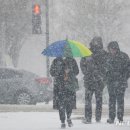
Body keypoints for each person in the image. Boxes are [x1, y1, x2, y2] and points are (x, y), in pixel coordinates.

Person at [50, 57, 79, 128]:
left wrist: (70, 71)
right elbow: (52, 73)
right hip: (60, 87)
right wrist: (61, 72)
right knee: (61, 105)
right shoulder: (56, 61)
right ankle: (62, 121)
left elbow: (77, 71)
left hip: (69, 86)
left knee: (69, 104)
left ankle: (68, 117)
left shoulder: (72, 60)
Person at [106, 41, 130, 124]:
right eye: (109, 49)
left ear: (115, 48)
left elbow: (128, 69)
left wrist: (123, 77)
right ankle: (111, 118)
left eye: (111, 49)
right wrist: (107, 77)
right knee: (112, 101)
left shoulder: (124, 56)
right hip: (111, 83)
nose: (111, 51)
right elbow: (104, 69)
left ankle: (120, 118)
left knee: (120, 101)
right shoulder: (108, 57)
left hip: (121, 83)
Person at [80, 56, 104, 123]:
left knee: (91, 100)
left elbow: (82, 66)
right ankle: (94, 118)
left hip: (94, 81)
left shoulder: (87, 54)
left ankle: (90, 118)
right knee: (93, 100)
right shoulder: (87, 54)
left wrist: (88, 72)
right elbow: (82, 66)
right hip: (93, 81)